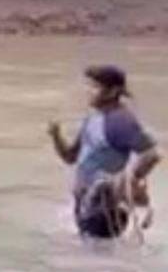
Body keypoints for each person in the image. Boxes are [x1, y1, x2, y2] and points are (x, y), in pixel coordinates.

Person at [48, 64, 159, 239]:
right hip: (86, 203)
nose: (88, 91)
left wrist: (127, 181)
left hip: (105, 208)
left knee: (94, 256)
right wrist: (56, 136)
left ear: (113, 91)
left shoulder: (120, 121)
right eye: (88, 86)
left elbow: (151, 155)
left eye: (95, 87)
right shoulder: (93, 117)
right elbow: (70, 157)